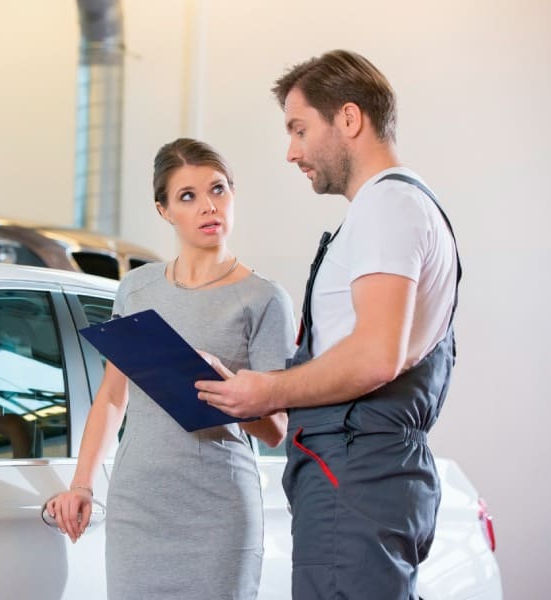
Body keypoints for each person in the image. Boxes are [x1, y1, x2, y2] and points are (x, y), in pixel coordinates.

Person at [195, 50, 462, 599]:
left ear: (348, 118)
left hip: (355, 471)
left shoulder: (388, 206)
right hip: (358, 468)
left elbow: (374, 356)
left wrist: (265, 391)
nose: (291, 152)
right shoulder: (397, 208)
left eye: (299, 129)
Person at [46, 138, 295, 599]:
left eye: (218, 190)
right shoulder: (136, 288)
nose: (208, 206)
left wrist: (226, 387)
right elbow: (112, 397)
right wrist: (81, 484)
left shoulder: (264, 299)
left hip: (218, 508)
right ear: (164, 210)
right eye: (189, 196)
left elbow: (276, 429)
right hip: (138, 504)